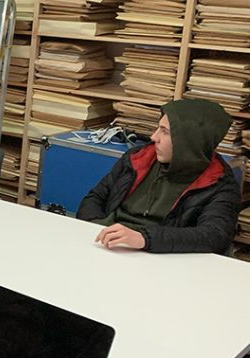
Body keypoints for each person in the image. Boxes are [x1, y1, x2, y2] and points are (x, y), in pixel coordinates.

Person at [77, 99, 240, 255]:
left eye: (165, 132)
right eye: (158, 128)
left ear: (188, 141)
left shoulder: (219, 183)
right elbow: (95, 198)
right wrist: (95, 227)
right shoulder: (137, 158)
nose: (154, 137)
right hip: (107, 245)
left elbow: (214, 236)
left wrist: (144, 239)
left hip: (159, 255)